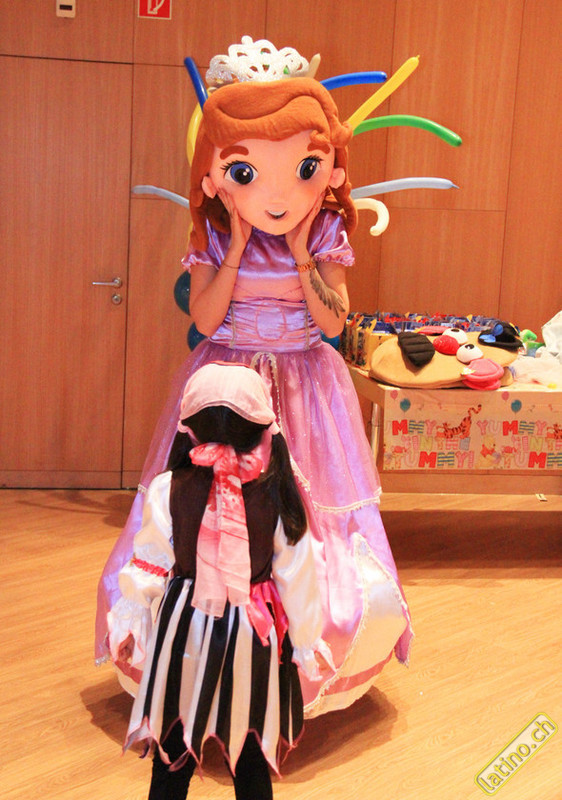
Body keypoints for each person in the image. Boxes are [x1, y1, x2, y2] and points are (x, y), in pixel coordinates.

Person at [97, 40, 413, 718]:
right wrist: (238, 249)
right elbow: (207, 318)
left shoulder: (325, 233)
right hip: (227, 386)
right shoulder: (213, 235)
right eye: (246, 171)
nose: (276, 194)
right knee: (206, 515)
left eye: (302, 169)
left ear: (326, 171)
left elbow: (334, 325)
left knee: (297, 524)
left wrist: (300, 257)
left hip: (307, 388)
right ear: (217, 175)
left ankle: (298, 661)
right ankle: (201, 654)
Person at [109, 363, 331, 799]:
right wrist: (307, 640)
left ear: (190, 428)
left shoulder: (168, 488)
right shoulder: (278, 491)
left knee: (173, 742)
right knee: (250, 748)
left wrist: (132, 618)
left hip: (183, 627)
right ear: (264, 428)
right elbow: (297, 574)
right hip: (253, 632)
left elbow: (151, 560)